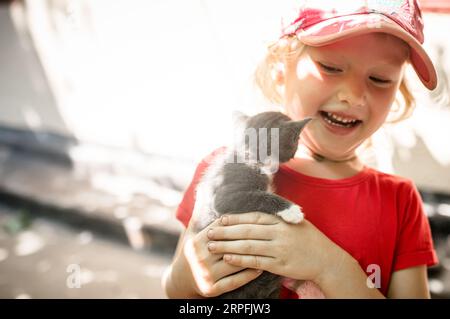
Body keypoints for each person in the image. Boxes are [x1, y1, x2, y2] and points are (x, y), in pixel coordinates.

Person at [162, 0, 439, 298]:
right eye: (330, 67)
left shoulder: (401, 201)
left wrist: (329, 266)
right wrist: (186, 277)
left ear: (399, 93)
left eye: (379, 79)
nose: (354, 96)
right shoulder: (223, 169)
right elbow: (177, 291)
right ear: (280, 70)